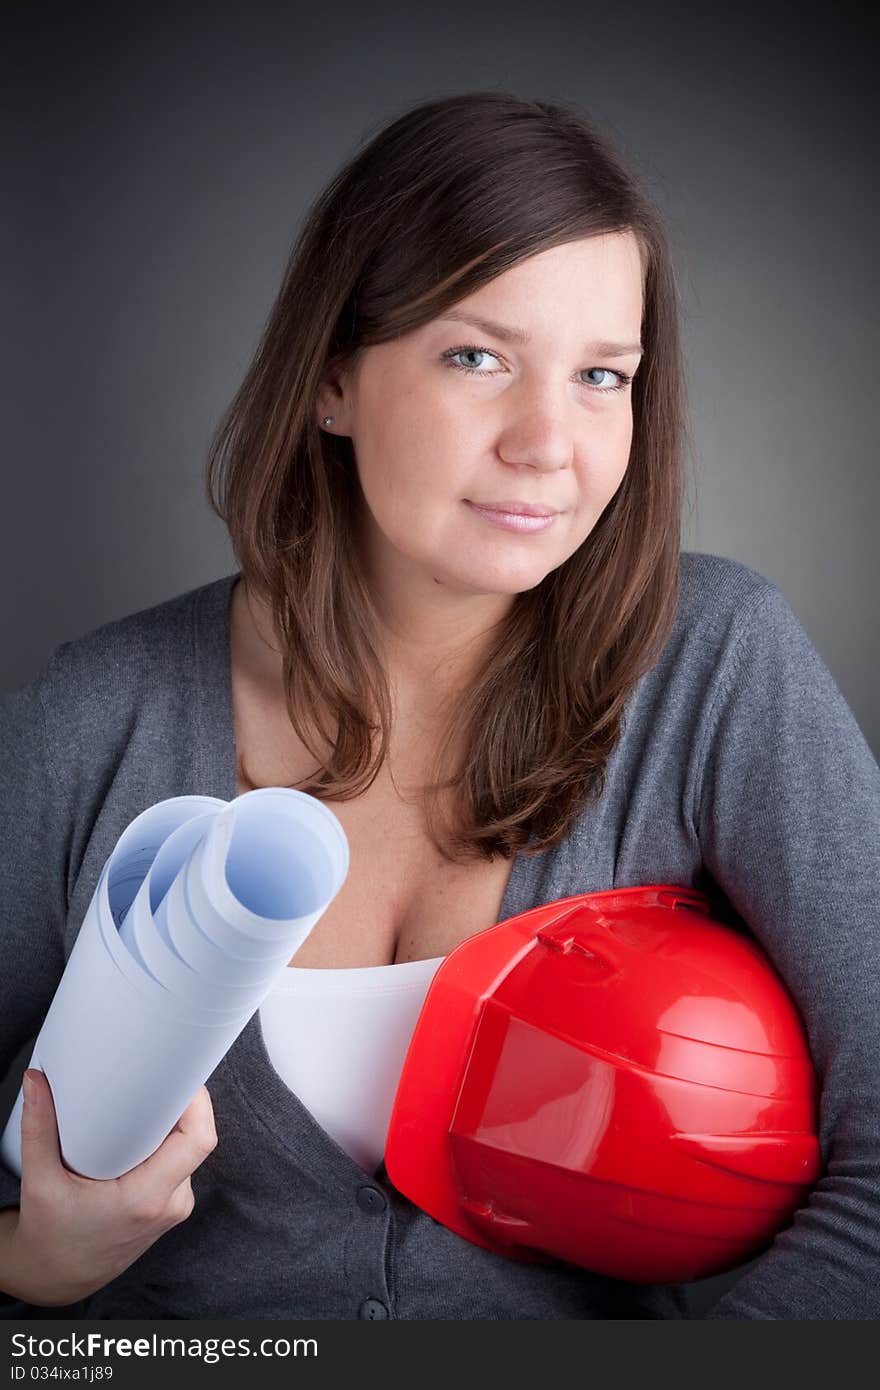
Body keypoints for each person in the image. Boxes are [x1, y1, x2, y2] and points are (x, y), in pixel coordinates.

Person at [1, 89, 878, 1320]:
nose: (548, 441)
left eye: (601, 375)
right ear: (330, 380)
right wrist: (26, 1269)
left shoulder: (717, 664)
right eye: (477, 357)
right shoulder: (96, 719)